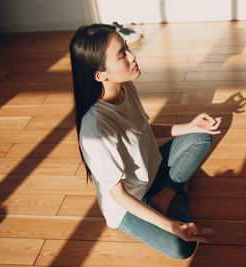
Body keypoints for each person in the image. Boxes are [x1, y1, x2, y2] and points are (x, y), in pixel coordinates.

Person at [69, 24, 222, 259]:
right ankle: (174, 193)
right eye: (122, 55)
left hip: (153, 168)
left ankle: (168, 195)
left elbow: (143, 129)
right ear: (100, 75)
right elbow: (119, 196)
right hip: (128, 204)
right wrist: (171, 227)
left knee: (200, 137)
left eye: (127, 48)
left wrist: (191, 126)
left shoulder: (125, 87)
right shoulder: (96, 130)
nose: (132, 56)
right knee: (182, 247)